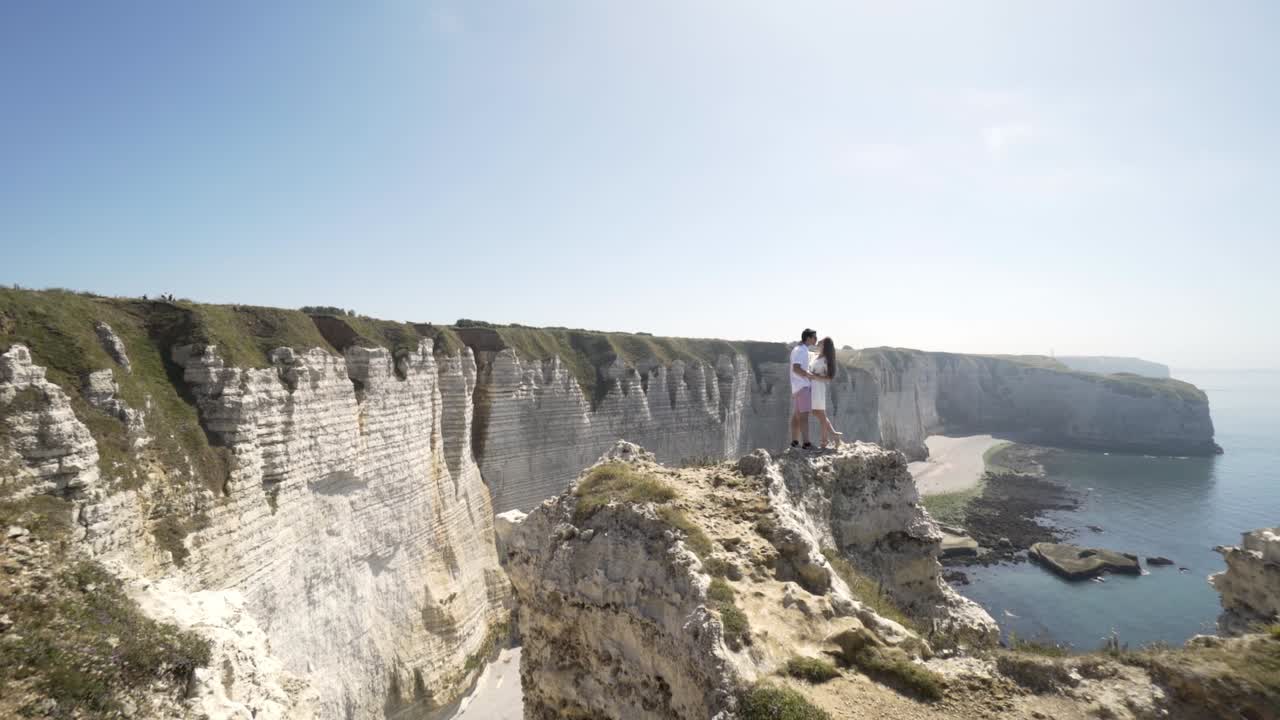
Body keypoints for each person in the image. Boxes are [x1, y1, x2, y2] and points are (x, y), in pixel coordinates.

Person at [810, 337, 843, 448]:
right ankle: (834, 435)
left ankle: (824, 442)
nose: (819, 343)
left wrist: (814, 377)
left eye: (821, 342)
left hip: (818, 388)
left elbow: (829, 378)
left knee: (821, 415)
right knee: (816, 413)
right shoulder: (816, 356)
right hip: (811, 387)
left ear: (825, 346)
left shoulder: (826, 360)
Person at [790, 329, 820, 449]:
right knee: (804, 416)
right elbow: (796, 368)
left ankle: (794, 441)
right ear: (808, 338)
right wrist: (809, 375)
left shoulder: (798, 349)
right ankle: (806, 443)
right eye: (814, 337)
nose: (816, 339)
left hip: (798, 387)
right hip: (803, 386)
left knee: (796, 416)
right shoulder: (801, 350)